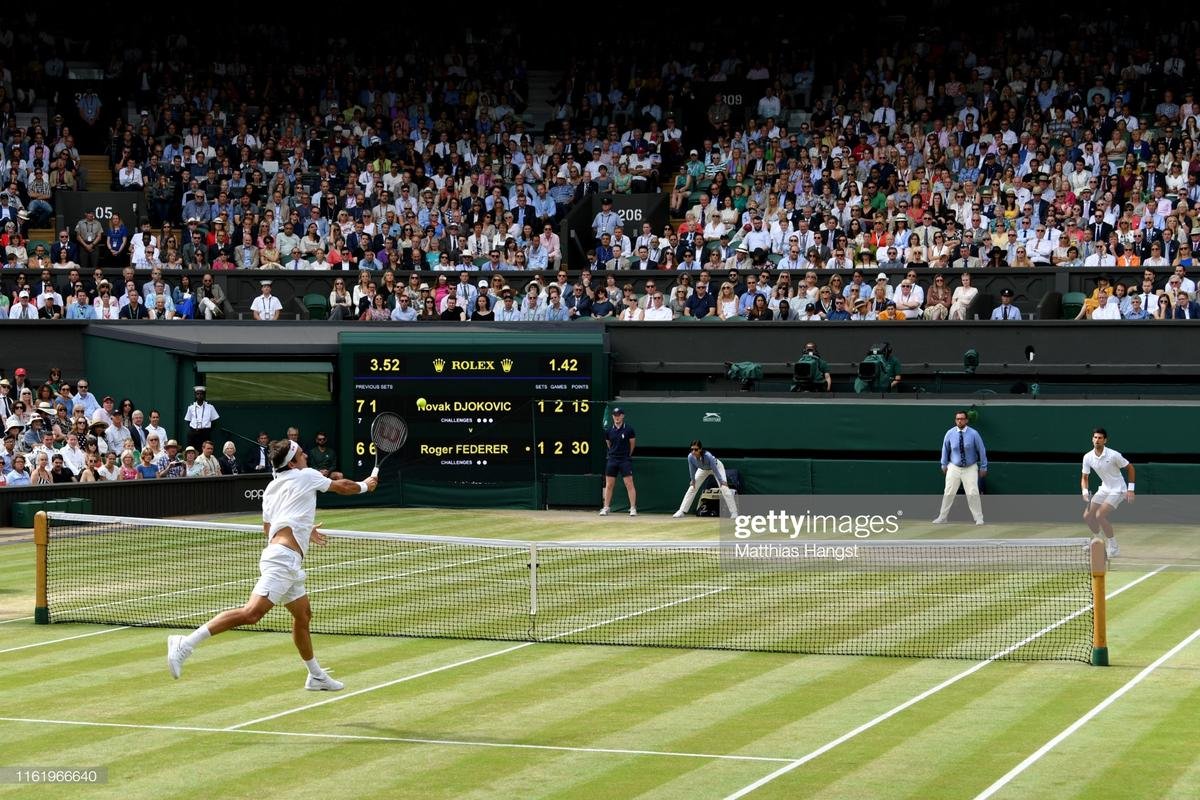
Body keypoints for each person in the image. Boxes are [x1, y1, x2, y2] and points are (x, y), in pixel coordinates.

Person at [167, 438, 380, 688]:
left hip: (284, 558)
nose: (306, 457)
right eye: (301, 454)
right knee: (251, 613)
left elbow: (269, 528)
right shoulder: (305, 476)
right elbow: (342, 486)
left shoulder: (271, 489)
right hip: (282, 561)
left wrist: (304, 528)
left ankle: (316, 676)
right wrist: (365, 485)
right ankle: (185, 643)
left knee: (303, 615)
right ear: (292, 463)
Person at [1081, 428, 1134, 558]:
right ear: (1092, 439)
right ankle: (1098, 543)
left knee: (1100, 515)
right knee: (1087, 516)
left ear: (1105, 440)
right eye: (1095, 437)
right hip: (1104, 489)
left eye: (1100, 438)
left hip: (1118, 490)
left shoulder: (1114, 455)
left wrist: (1131, 489)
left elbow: (1130, 468)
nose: (1097, 440)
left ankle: (1114, 547)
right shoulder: (1087, 457)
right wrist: (1085, 491)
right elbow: (1085, 477)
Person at [932, 410, 987, 525]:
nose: (960, 421)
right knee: (948, 491)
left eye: (962, 419)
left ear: (966, 420)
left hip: (970, 467)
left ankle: (978, 518)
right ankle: (942, 517)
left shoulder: (974, 434)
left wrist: (983, 466)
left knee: (972, 492)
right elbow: (945, 449)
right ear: (955, 420)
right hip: (954, 466)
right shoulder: (950, 433)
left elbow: (981, 450)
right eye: (958, 419)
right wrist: (943, 464)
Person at [672, 440, 739, 519]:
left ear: (700, 449)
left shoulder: (708, 456)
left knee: (724, 488)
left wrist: (721, 481)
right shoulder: (690, 456)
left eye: (696, 449)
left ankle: (734, 512)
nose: (693, 451)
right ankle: (681, 511)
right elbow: (692, 468)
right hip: (702, 469)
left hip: (716, 467)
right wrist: (692, 480)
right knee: (692, 487)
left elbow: (714, 468)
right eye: (692, 449)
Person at [600, 406, 637, 516]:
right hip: (612, 460)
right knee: (609, 484)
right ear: (613, 417)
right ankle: (606, 507)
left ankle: (633, 508)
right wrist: (614, 454)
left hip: (625, 460)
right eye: (615, 416)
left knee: (629, 484)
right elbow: (609, 444)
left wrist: (626, 455)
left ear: (622, 416)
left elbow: (632, 444)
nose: (617, 417)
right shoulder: (608, 431)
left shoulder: (629, 429)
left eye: (619, 415)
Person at [184, 386, 220, 451]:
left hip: (205, 433)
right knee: (192, 451)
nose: (199, 395)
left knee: (205, 451)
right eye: (197, 394)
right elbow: (188, 421)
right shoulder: (191, 407)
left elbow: (214, 421)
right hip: (193, 433)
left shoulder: (210, 407)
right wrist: (193, 430)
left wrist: (207, 430)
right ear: (195, 395)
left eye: (201, 394)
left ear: (204, 395)